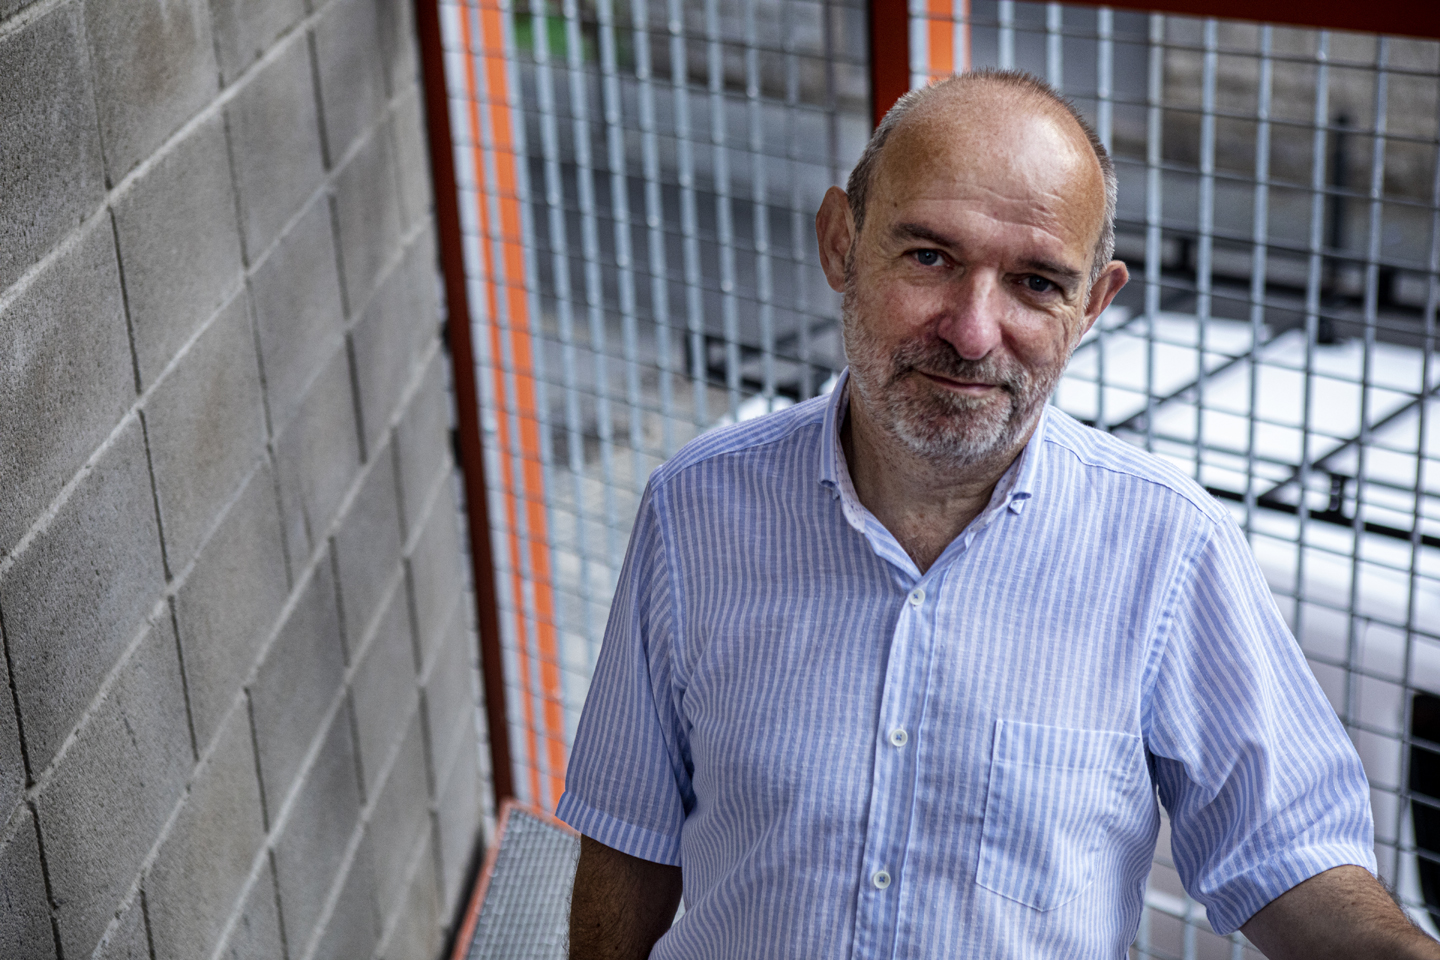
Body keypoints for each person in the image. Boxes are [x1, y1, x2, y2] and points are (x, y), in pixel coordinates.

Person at [555, 69, 1439, 958]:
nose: (973, 332)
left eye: (1037, 282)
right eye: (929, 257)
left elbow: (1292, 862)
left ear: (1092, 307)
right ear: (839, 245)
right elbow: (628, 837)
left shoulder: (1169, 550)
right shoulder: (696, 510)